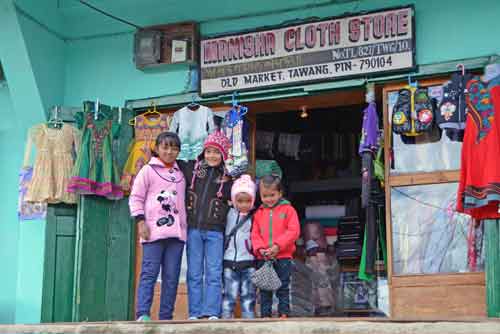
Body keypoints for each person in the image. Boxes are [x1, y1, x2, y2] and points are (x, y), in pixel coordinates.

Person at [129, 132, 187, 321]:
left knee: (171, 279)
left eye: (174, 148)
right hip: (152, 232)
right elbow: (136, 197)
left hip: (176, 235)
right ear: (157, 148)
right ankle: (143, 314)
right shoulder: (148, 170)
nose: (169, 152)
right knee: (149, 274)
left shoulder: (180, 174)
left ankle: (166, 318)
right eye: (165, 147)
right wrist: (140, 221)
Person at [180, 130, 233, 320]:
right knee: (194, 272)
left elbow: (243, 193)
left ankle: (211, 311)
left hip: (215, 232)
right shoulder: (192, 170)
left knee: (213, 272)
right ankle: (194, 312)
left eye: (217, 152)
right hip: (193, 229)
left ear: (223, 155)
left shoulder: (228, 178)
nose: (212, 155)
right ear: (203, 152)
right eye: (209, 151)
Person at [251, 174, 300, 318]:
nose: (269, 199)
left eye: (272, 195)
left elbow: (293, 231)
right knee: (265, 288)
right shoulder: (259, 213)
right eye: (265, 196)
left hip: (283, 256)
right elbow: (255, 233)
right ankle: (265, 315)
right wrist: (260, 249)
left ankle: (283, 313)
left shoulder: (288, 210)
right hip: (264, 257)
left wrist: (278, 246)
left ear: (280, 193)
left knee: (283, 286)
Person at [222, 174, 257, 319]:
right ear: (233, 199)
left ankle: (249, 322)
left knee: (248, 296)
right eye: (240, 201)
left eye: (248, 201)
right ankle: (224, 324)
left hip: (249, 262)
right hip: (229, 261)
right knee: (228, 296)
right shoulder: (228, 213)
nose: (243, 204)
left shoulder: (255, 216)